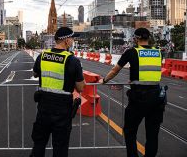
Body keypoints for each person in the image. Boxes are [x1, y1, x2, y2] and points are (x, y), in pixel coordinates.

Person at [99, 28, 166, 157]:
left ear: (136, 39)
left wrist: (105, 80)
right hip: (156, 97)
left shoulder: (131, 52)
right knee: (152, 134)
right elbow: (150, 70)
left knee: (130, 130)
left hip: (139, 98)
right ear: (148, 38)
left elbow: (115, 70)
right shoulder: (158, 52)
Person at [30, 27, 85, 157]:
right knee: (60, 146)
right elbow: (80, 88)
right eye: (72, 38)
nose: (72, 41)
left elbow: (35, 73)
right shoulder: (72, 60)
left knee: (39, 143)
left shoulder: (42, 56)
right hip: (62, 110)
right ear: (66, 40)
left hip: (43, 107)